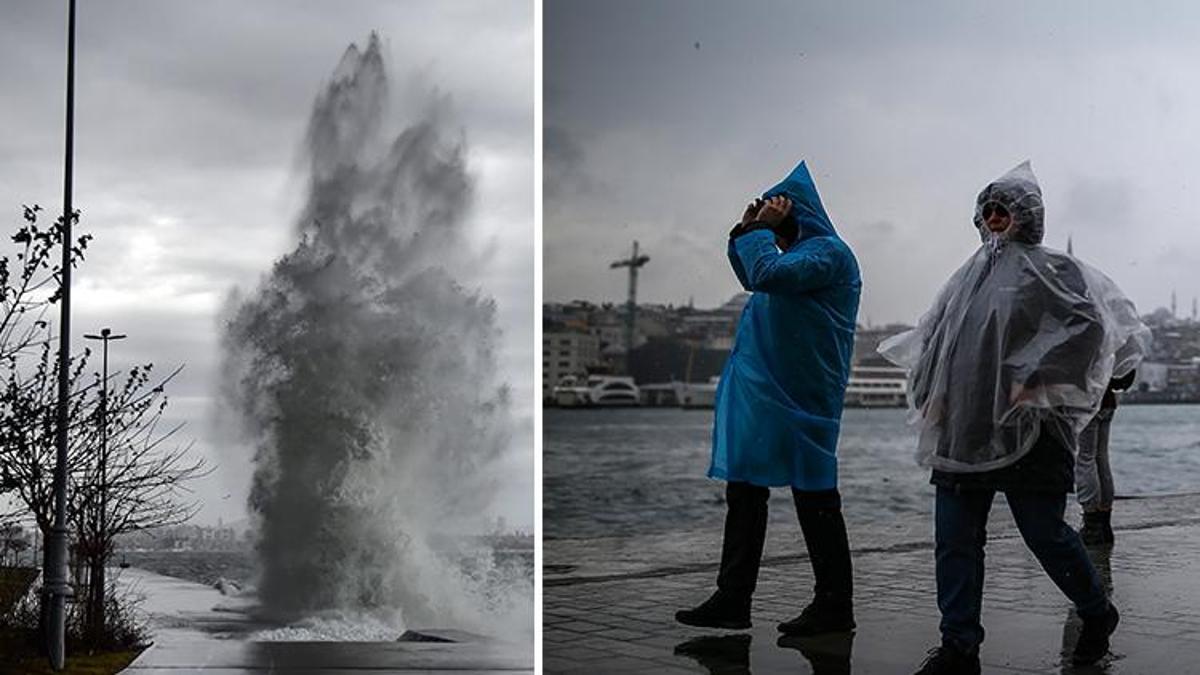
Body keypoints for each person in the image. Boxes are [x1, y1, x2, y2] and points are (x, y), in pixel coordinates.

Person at [879, 161, 1149, 673]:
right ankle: (959, 644)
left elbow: (1092, 333)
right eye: (988, 211)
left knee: (1044, 533)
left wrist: (1040, 383)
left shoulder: (1058, 271)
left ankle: (1096, 609)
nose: (995, 220)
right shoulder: (965, 280)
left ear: (1027, 216)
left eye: (1003, 210)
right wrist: (928, 395)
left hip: (1033, 430)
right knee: (955, 539)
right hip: (963, 429)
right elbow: (936, 341)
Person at [675, 161, 862, 637]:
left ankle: (834, 606)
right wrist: (745, 229)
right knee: (744, 492)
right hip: (768, 397)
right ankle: (733, 599)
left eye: (778, 216)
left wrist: (759, 231)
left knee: (816, 499)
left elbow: (765, 273)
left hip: (804, 399)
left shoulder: (828, 254)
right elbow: (750, 270)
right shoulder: (789, 256)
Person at [1075, 370, 1136, 545]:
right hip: (1108, 401)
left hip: (1087, 401)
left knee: (1085, 457)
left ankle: (1091, 523)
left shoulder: (1089, 343)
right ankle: (1104, 523)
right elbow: (1124, 378)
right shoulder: (1115, 344)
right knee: (1101, 457)